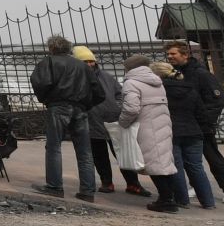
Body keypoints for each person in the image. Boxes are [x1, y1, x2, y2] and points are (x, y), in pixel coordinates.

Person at [164, 41, 224, 205]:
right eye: (168, 54)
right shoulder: (175, 74)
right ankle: (196, 187)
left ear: (185, 54)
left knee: (213, 158)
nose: (170, 57)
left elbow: (216, 100)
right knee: (189, 161)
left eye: (173, 54)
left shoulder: (201, 74)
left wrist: (204, 121)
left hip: (202, 126)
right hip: (185, 126)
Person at [30, 34, 96, 201]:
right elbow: (97, 90)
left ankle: (54, 186)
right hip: (80, 109)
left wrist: (47, 100)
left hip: (58, 106)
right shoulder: (83, 66)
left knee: (53, 147)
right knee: (85, 151)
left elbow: (40, 83)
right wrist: (86, 104)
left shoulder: (48, 62)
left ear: (51, 48)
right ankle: (88, 191)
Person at [75, 47, 146, 196]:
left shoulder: (106, 77)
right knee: (99, 156)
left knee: (123, 153)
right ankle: (107, 183)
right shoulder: (77, 78)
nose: (89, 64)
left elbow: (120, 94)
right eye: (85, 62)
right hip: (91, 123)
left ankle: (133, 184)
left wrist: (118, 107)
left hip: (114, 121)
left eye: (91, 61)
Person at [117, 56, 180, 213]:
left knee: (154, 164)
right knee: (165, 161)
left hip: (146, 126)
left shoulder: (131, 83)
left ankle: (166, 201)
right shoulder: (157, 81)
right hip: (163, 125)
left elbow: (131, 108)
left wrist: (122, 123)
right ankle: (170, 198)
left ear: (129, 68)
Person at [155, 61, 217, 209]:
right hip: (193, 131)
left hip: (172, 132)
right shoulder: (191, 89)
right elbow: (201, 113)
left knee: (176, 167)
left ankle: (182, 200)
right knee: (196, 167)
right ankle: (208, 201)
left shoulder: (161, 90)